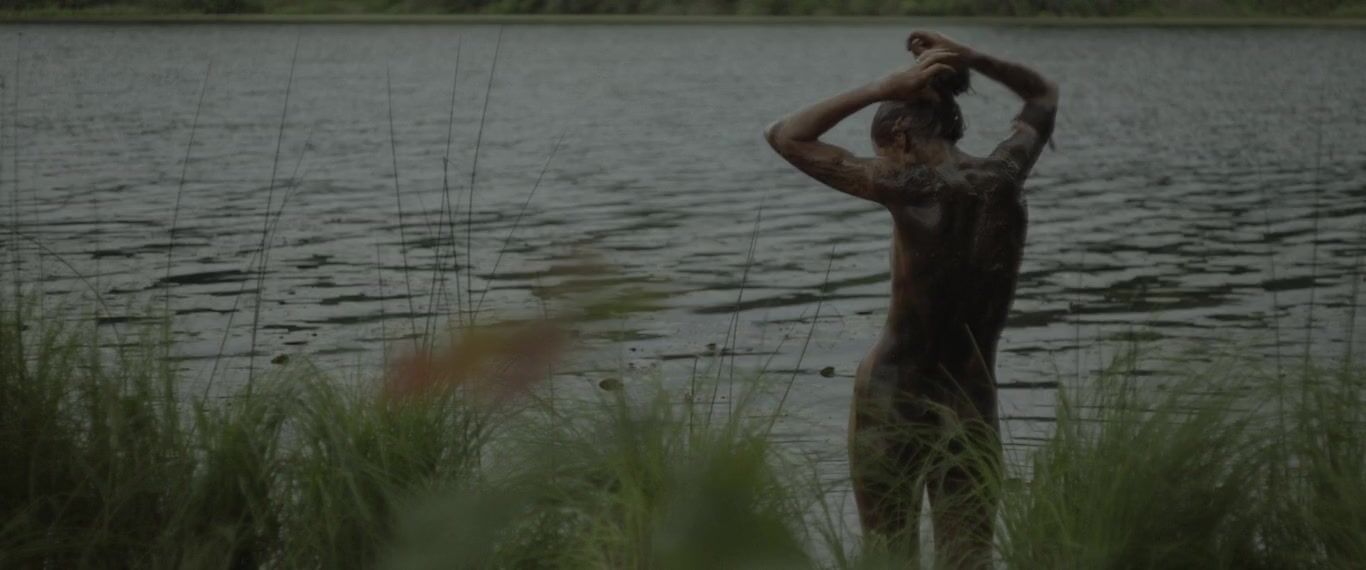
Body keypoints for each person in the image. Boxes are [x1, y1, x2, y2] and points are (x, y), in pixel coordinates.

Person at [763, 31, 1057, 568]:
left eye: (882, 150)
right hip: (971, 399)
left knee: (889, 555)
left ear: (898, 137)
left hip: (894, 395)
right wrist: (971, 56)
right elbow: (1042, 94)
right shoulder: (1005, 177)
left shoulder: (905, 183)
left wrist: (881, 87)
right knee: (968, 558)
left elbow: (785, 135)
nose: (883, 160)